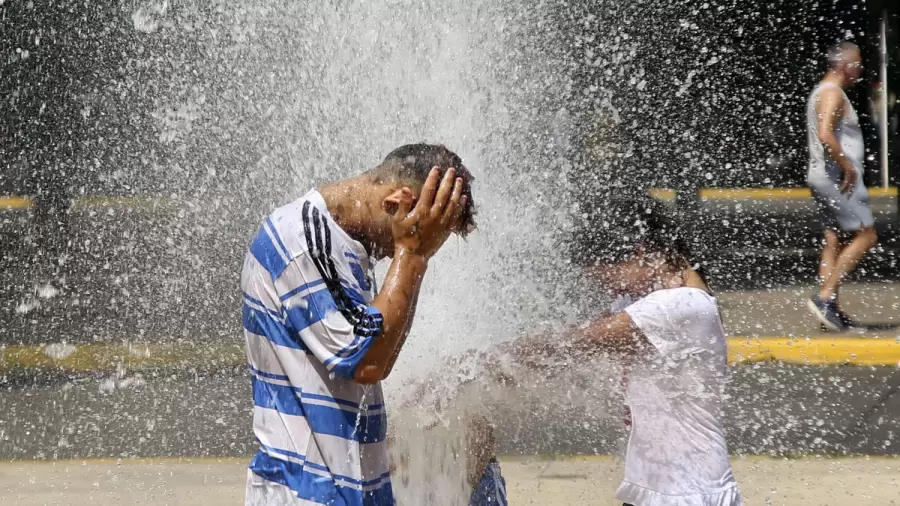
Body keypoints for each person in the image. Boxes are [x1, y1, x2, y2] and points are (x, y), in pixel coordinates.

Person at [241, 143, 476, 506]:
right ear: (397, 202)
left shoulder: (342, 245)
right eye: (427, 232)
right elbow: (367, 361)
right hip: (306, 494)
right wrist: (412, 254)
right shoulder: (303, 242)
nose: (428, 245)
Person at [513, 197, 742, 506]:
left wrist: (481, 362)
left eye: (613, 282)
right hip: (655, 490)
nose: (613, 293)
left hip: (690, 492)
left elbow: (570, 343)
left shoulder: (682, 305)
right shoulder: (662, 300)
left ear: (640, 255)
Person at [805, 41, 878, 331]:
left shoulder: (821, 91)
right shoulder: (833, 93)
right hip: (838, 178)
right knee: (866, 235)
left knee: (834, 239)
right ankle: (825, 298)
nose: (861, 69)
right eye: (858, 63)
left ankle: (829, 311)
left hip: (823, 176)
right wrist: (848, 165)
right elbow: (825, 134)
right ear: (845, 65)